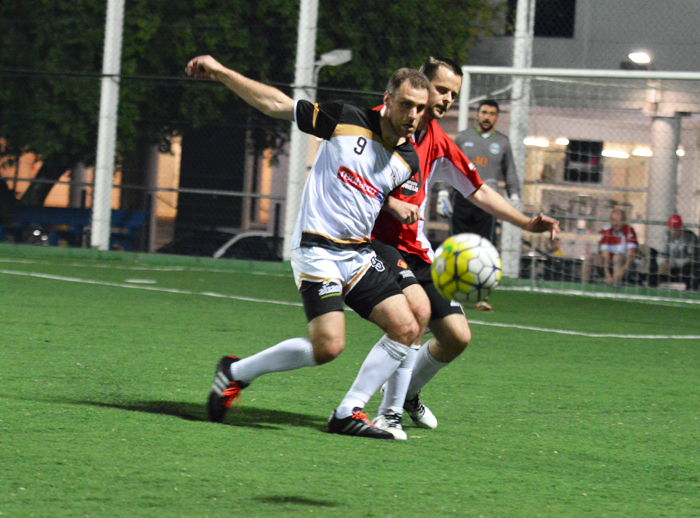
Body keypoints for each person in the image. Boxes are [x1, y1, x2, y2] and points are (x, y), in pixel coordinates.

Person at [186, 55, 431, 440]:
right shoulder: (345, 118)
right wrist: (220, 72)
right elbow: (276, 105)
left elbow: (365, 187)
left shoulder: (409, 159)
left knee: (406, 326)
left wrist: (392, 203)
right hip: (317, 248)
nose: (413, 114)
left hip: (357, 253)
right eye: (406, 104)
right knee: (328, 346)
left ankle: (348, 412)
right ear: (387, 99)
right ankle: (235, 373)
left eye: (420, 107)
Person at [369, 57, 560, 438]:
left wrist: (524, 222)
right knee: (414, 319)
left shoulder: (438, 139)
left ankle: (407, 393)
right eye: (442, 90)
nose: (447, 100)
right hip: (372, 244)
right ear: (421, 85)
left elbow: (478, 189)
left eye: (453, 95)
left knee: (457, 336)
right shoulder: (375, 122)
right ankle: (384, 413)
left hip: (414, 248)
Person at [437, 99, 521, 311]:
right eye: (484, 112)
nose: (487, 117)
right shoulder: (464, 138)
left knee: (486, 252)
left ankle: (481, 296)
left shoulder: (503, 142)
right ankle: (452, 294)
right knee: (457, 248)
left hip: (488, 204)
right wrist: (444, 193)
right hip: (462, 201)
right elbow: (449, 166)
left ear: (497, 117)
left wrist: (515, 197)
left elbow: (510, 172)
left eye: (492, 113)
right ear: (477, 114)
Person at [582, 208, 638, 286]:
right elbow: (605, 256)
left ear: (624, 221)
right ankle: (584, 288)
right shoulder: (606, 231)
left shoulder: (629, 231)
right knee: (589, 257)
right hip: (608, 264)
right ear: (611, 221)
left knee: (617, 257)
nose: (616, 224)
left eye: (619, 221)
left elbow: (631, 256)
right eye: (614, 220)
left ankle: (615, 287)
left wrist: (621, 273)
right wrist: (608, 275)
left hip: (625, 266)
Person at [656, 214, 700, 290]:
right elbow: (661, 253)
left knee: (690, 269)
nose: (674, 231)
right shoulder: (666, 236)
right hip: (669, 265)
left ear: (681, 227)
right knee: (655, 269)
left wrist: (675, 264)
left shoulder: (690, 237)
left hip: (684, 266)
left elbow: (691, 258)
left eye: (677, 229)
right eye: (672, 229)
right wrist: (662, 264)